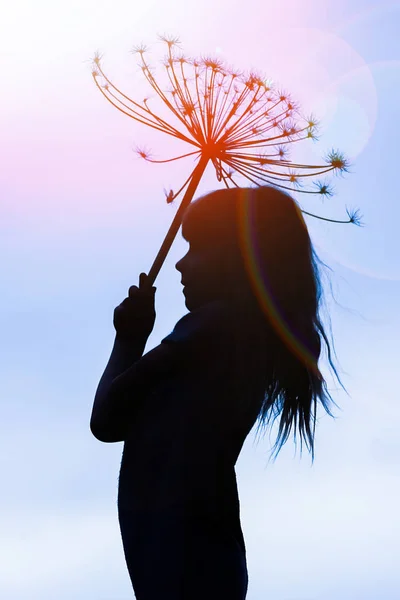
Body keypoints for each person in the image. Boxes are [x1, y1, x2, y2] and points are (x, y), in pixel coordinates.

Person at [90, 185, 346, 599]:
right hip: (204, 555)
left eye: (198, 249)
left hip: (185, 558)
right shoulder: (238, 335)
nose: (179, 263)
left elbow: (107, 419)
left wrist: (128, 339)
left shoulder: (209, 330)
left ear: (239, 258)